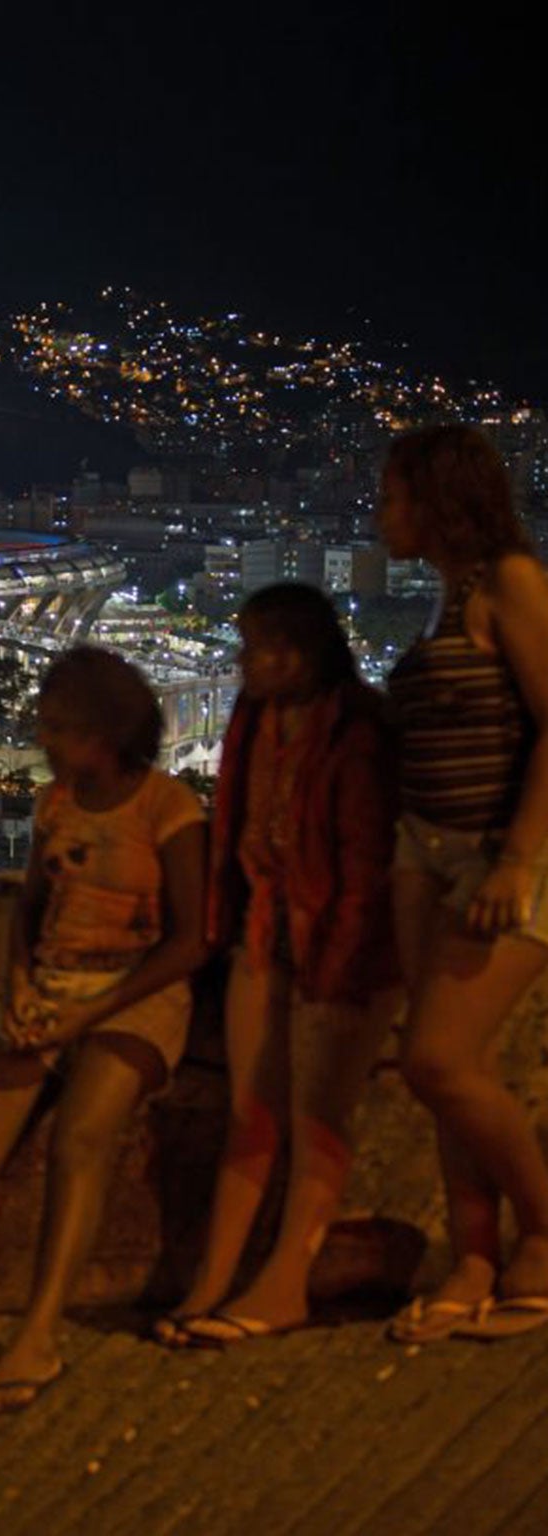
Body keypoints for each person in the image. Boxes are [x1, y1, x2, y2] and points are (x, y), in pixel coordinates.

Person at [0, 647, 209, 1419]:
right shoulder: (56, 802)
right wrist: (23, 990)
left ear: (107, 732)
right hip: (51, 991)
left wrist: (92, 1011)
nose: (46, 741)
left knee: (81, 1140)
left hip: (137, 996)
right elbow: (29, 909)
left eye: (61, 728)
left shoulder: (167, 807)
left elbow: (192, 939)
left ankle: (40, 1332)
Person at [157, 584, 400, 1345]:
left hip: (341, 944)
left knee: (315, 1119)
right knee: (250, 1113)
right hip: (264, 932)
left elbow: (365, 863)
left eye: (258, 648)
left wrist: (341, 965)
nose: (244, 662)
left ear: (299, 652)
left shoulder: (358, 728)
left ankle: (285, 1283)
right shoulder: (255, 719)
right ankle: (213, 1283)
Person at [378, 423, 548, 1343]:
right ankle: (474, 1258)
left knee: (436, 1059)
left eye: (392, 496)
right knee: (446, 1077)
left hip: (501, 856)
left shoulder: (511, 583)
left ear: (440, 498)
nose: (378, 515)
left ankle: (547, 1231)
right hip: (427, 856)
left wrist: (518, 859)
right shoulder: (444, 600)